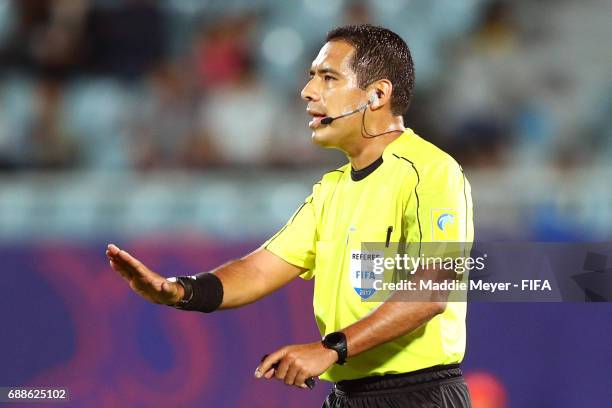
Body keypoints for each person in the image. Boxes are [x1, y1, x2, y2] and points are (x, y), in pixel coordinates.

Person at [107, 24, 473, 408]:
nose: (308, 91)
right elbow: (260, 269)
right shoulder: (332, 189)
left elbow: (431, 291)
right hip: (349, 396)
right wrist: (178, 291)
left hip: (419, 396)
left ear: (378, 94)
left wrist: (331, 349)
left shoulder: (431, 171)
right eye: (312, 76)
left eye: (328, 77)